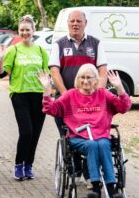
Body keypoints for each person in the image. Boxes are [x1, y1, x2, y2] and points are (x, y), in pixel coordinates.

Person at [38, 64, 131, 198]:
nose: (85, 81)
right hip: (78, 137)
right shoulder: (70, 95)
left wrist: (120, 88)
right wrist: (46, 90)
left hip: (101, 136)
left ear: (95, 80)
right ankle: (95, 187)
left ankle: (111, 188)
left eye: (89, 77)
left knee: (104, 144)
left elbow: (124, 107)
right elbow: (50, 109)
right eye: (82, 77)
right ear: (77, 79)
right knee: (92, 145)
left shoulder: (103, 94)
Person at [49, 10, 108, 187]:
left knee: (92, 135)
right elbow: (54, 71)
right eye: (72, 21)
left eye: (78, 21)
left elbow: (102, 71)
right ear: (68, 23)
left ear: (85, 22)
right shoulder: (59, 44)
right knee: (69, 136)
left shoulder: (96, 43)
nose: (75, 24)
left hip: (90, 102)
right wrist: (67, 95)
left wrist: (96, 94)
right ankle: (74, 168)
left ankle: (90, 172)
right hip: (66, 101)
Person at [0, 15, 49, 180]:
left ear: (33, 31)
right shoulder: (14, 50)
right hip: (19, 95)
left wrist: (48, 90)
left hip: (38, 95)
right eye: (22, 30)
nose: (25, 32)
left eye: (28, 29)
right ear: (19, 31)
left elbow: (46, 74)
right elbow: (2, 73)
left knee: (35, 133)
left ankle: (28, 165)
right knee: (26, 131)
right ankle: (18, 164)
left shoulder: (41, 51)